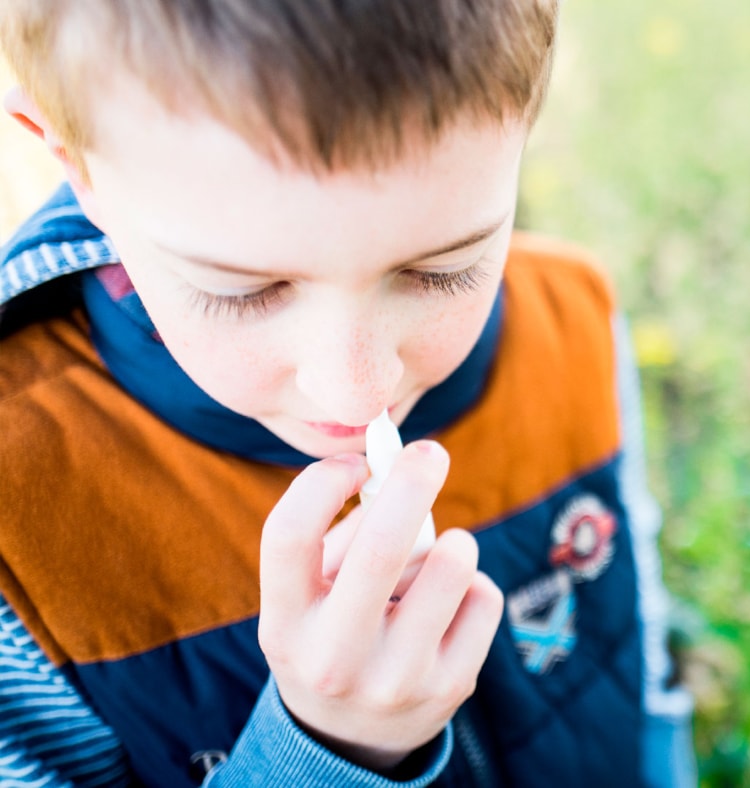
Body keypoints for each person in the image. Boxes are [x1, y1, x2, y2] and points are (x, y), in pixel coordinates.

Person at [0, 1, 695, 785]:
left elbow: (643, 669)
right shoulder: (19, 520)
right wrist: (323, 747)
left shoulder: (573, 326)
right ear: (75, 164)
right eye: (243, 290)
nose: (359, 389)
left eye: (443, 269)